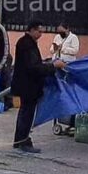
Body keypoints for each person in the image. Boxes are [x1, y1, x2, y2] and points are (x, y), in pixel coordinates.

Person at [12, 20, 66, 153]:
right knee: (27, 113)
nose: (40, 34)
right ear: (32, 30)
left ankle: (19, 140)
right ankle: (22, 141)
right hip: (28, 85)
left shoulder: (26, 43)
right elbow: (33, 67)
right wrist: (53, 66)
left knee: (24, 112)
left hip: (25, 84)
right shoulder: (27, 44)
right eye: (39, 31)